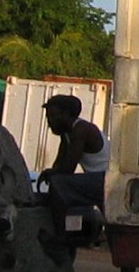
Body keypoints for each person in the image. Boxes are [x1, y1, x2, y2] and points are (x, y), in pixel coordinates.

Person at [38, 95, 106, 246]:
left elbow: (68, 168)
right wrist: (52, 172)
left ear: (66, 115)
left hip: (103, 179)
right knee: (57, 182)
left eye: (53, 117)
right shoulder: (67, 134)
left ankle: (60, 237)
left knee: (60, 184)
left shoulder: (80, 130)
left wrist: (51, 174)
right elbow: (59, 163)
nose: (49, 123)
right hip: (99, 179)